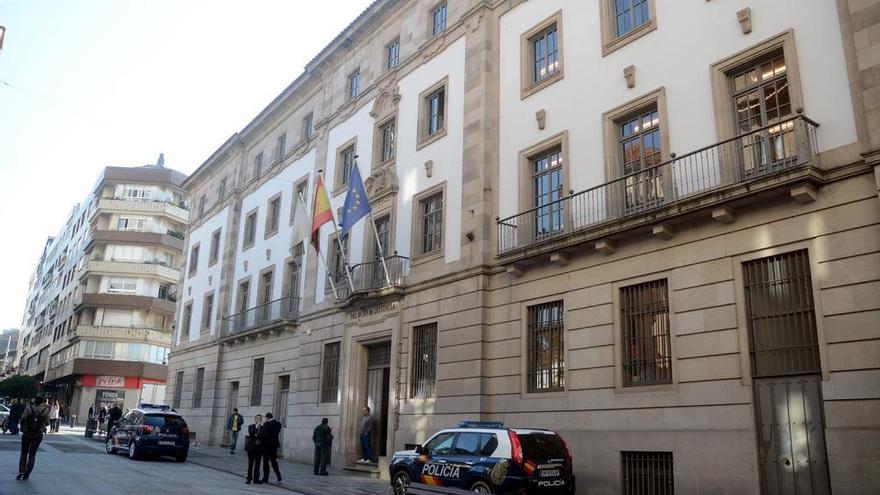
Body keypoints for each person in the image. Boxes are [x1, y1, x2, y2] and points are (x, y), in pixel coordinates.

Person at [17, 396, 50, 480]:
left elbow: (22, 419)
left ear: (34, 401)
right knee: (32, 454)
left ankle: (21, 470)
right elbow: (47, 423)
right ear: (42, 402)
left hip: (27, 432)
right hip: (38, 434)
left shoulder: (28, 408)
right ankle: (27, 474)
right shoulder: (45, 410)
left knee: (24, 452)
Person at [259, 412, 282, 484]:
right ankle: (279, 476)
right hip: (274, 445)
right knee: (274, 461)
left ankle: (265, 478)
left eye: (265, 418)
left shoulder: (266, 424)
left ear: (267, 418)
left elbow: (263, 434)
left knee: (265, 462)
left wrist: (262, 427)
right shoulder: (278, 424)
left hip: (266, 446)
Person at [245, 415, 263, 485]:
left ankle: (256, 479)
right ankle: (249, 478)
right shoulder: (251, 426)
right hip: (251, 448)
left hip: (259, 448)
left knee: (257, 464)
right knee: (250, 464)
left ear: (261, 420)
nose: (258, 419)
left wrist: (258, 433)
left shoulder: (263, 427)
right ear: (255, 419)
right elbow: (251, 433)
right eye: (257, 418)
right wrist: (257, 427)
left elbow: (263, 435)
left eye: (260, 419)